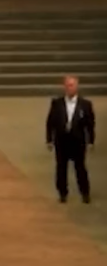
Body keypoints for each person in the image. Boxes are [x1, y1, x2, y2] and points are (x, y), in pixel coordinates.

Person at [45, 75, 96, 203]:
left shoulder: (85, 105)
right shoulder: (57, 103)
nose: (70, 88)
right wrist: (49, 139)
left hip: (78, 141)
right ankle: (62, 193)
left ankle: (85, 192)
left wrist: (91, 141)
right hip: (61, 141)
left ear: (77, 87)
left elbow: (90, 124)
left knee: (80, 168)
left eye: (72, 85)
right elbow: (50, 122)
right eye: (67, 85)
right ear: (64, 87)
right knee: (61, 168)